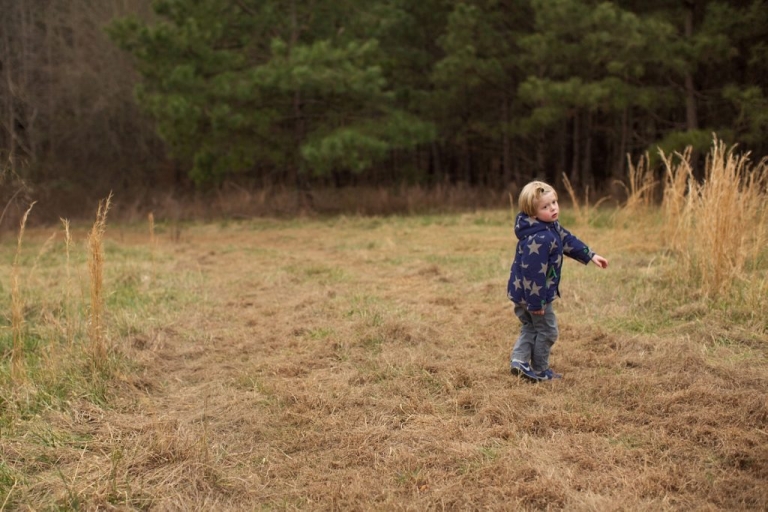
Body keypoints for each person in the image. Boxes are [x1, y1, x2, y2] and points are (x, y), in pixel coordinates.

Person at [507, 181, 608, 381]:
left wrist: (590, 255)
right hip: (534, 296)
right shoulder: (540, 238)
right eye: (545, 206)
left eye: (554, 202)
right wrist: (537, 303)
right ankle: (540, 370)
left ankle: (519, 361)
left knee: (531, 326)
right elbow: (534, 274)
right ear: (533, 213)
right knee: (548, 330)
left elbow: (567, 240)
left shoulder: (548, 226)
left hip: (522, 293)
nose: (553, 208)